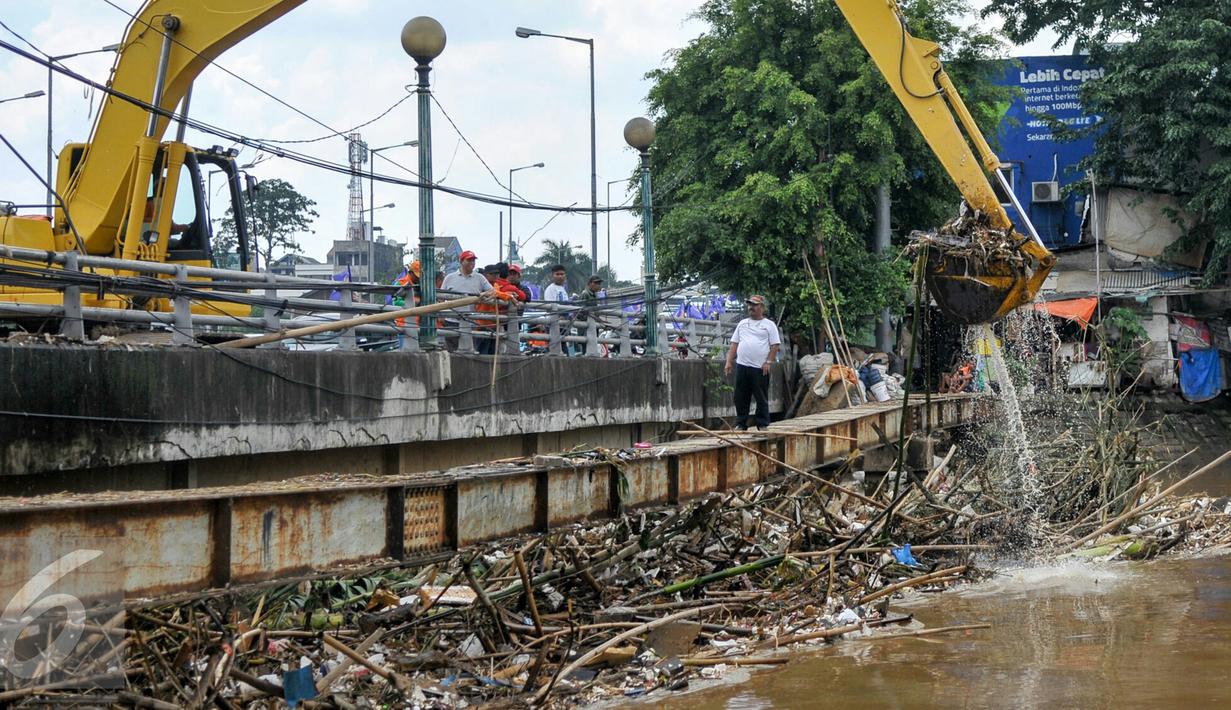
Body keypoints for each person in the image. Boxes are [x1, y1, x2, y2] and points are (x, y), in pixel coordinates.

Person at [724, 295, 781, 430]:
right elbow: (734, 344)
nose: (751, 307)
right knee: (740, 396)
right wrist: (729, 362)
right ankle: (741, 423)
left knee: (761, 396)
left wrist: (768, 362)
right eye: (750, 305)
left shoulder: (769, 325)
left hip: (759, 367)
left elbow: (775, 346)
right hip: (742, 365)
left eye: (754, 305)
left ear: (761, 307)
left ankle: (762, 423)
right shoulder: (743, 323)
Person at [440, 250, 488, 351]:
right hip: (451, 320)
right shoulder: (450, 278)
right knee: (452, 352)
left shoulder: (480, 278)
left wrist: (485, 294)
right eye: (469, 260)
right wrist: (442, 316)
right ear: (461, 261)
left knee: (471, 351)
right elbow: (441, 298)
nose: (472, 263)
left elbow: (492, 291)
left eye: (473, 260)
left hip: (471, 321)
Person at [473, 264, 521, 355]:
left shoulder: (496, 285)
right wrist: (508, 295)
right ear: (486, 275)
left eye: (497, 273)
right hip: (481, 323)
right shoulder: (481, 285)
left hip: (493, 323)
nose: (496, 276)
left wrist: (507, 295)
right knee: (482, 351)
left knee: (492, 351)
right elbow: (493, 293)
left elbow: (497, 293)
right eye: (493, 274)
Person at [577, 275, 605, 355]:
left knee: (592, 348)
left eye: (599, 283)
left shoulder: (595, 295)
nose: (598, 285)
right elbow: (580, 312)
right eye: (596, 283)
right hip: (586, 327)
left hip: (593, 326)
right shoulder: (585, 294)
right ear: (590, 284)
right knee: (586, 350)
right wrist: (590, 317)